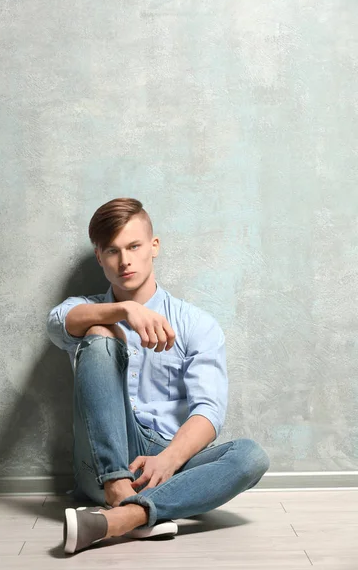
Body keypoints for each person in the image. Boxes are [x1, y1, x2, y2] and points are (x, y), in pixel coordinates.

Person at [46, 197, 270, 555]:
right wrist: (125, 310)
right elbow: (58, 322)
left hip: (164, 461)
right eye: (113, 251)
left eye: (134, 246)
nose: (125, 261)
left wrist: (168, 460)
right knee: (101, 335)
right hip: (101, 465)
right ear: (100, 256)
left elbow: (208, 411)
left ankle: (121, 519)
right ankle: (120, 491)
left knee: (251, 456)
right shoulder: (89, 310)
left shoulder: (196, 324)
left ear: (154, 246)